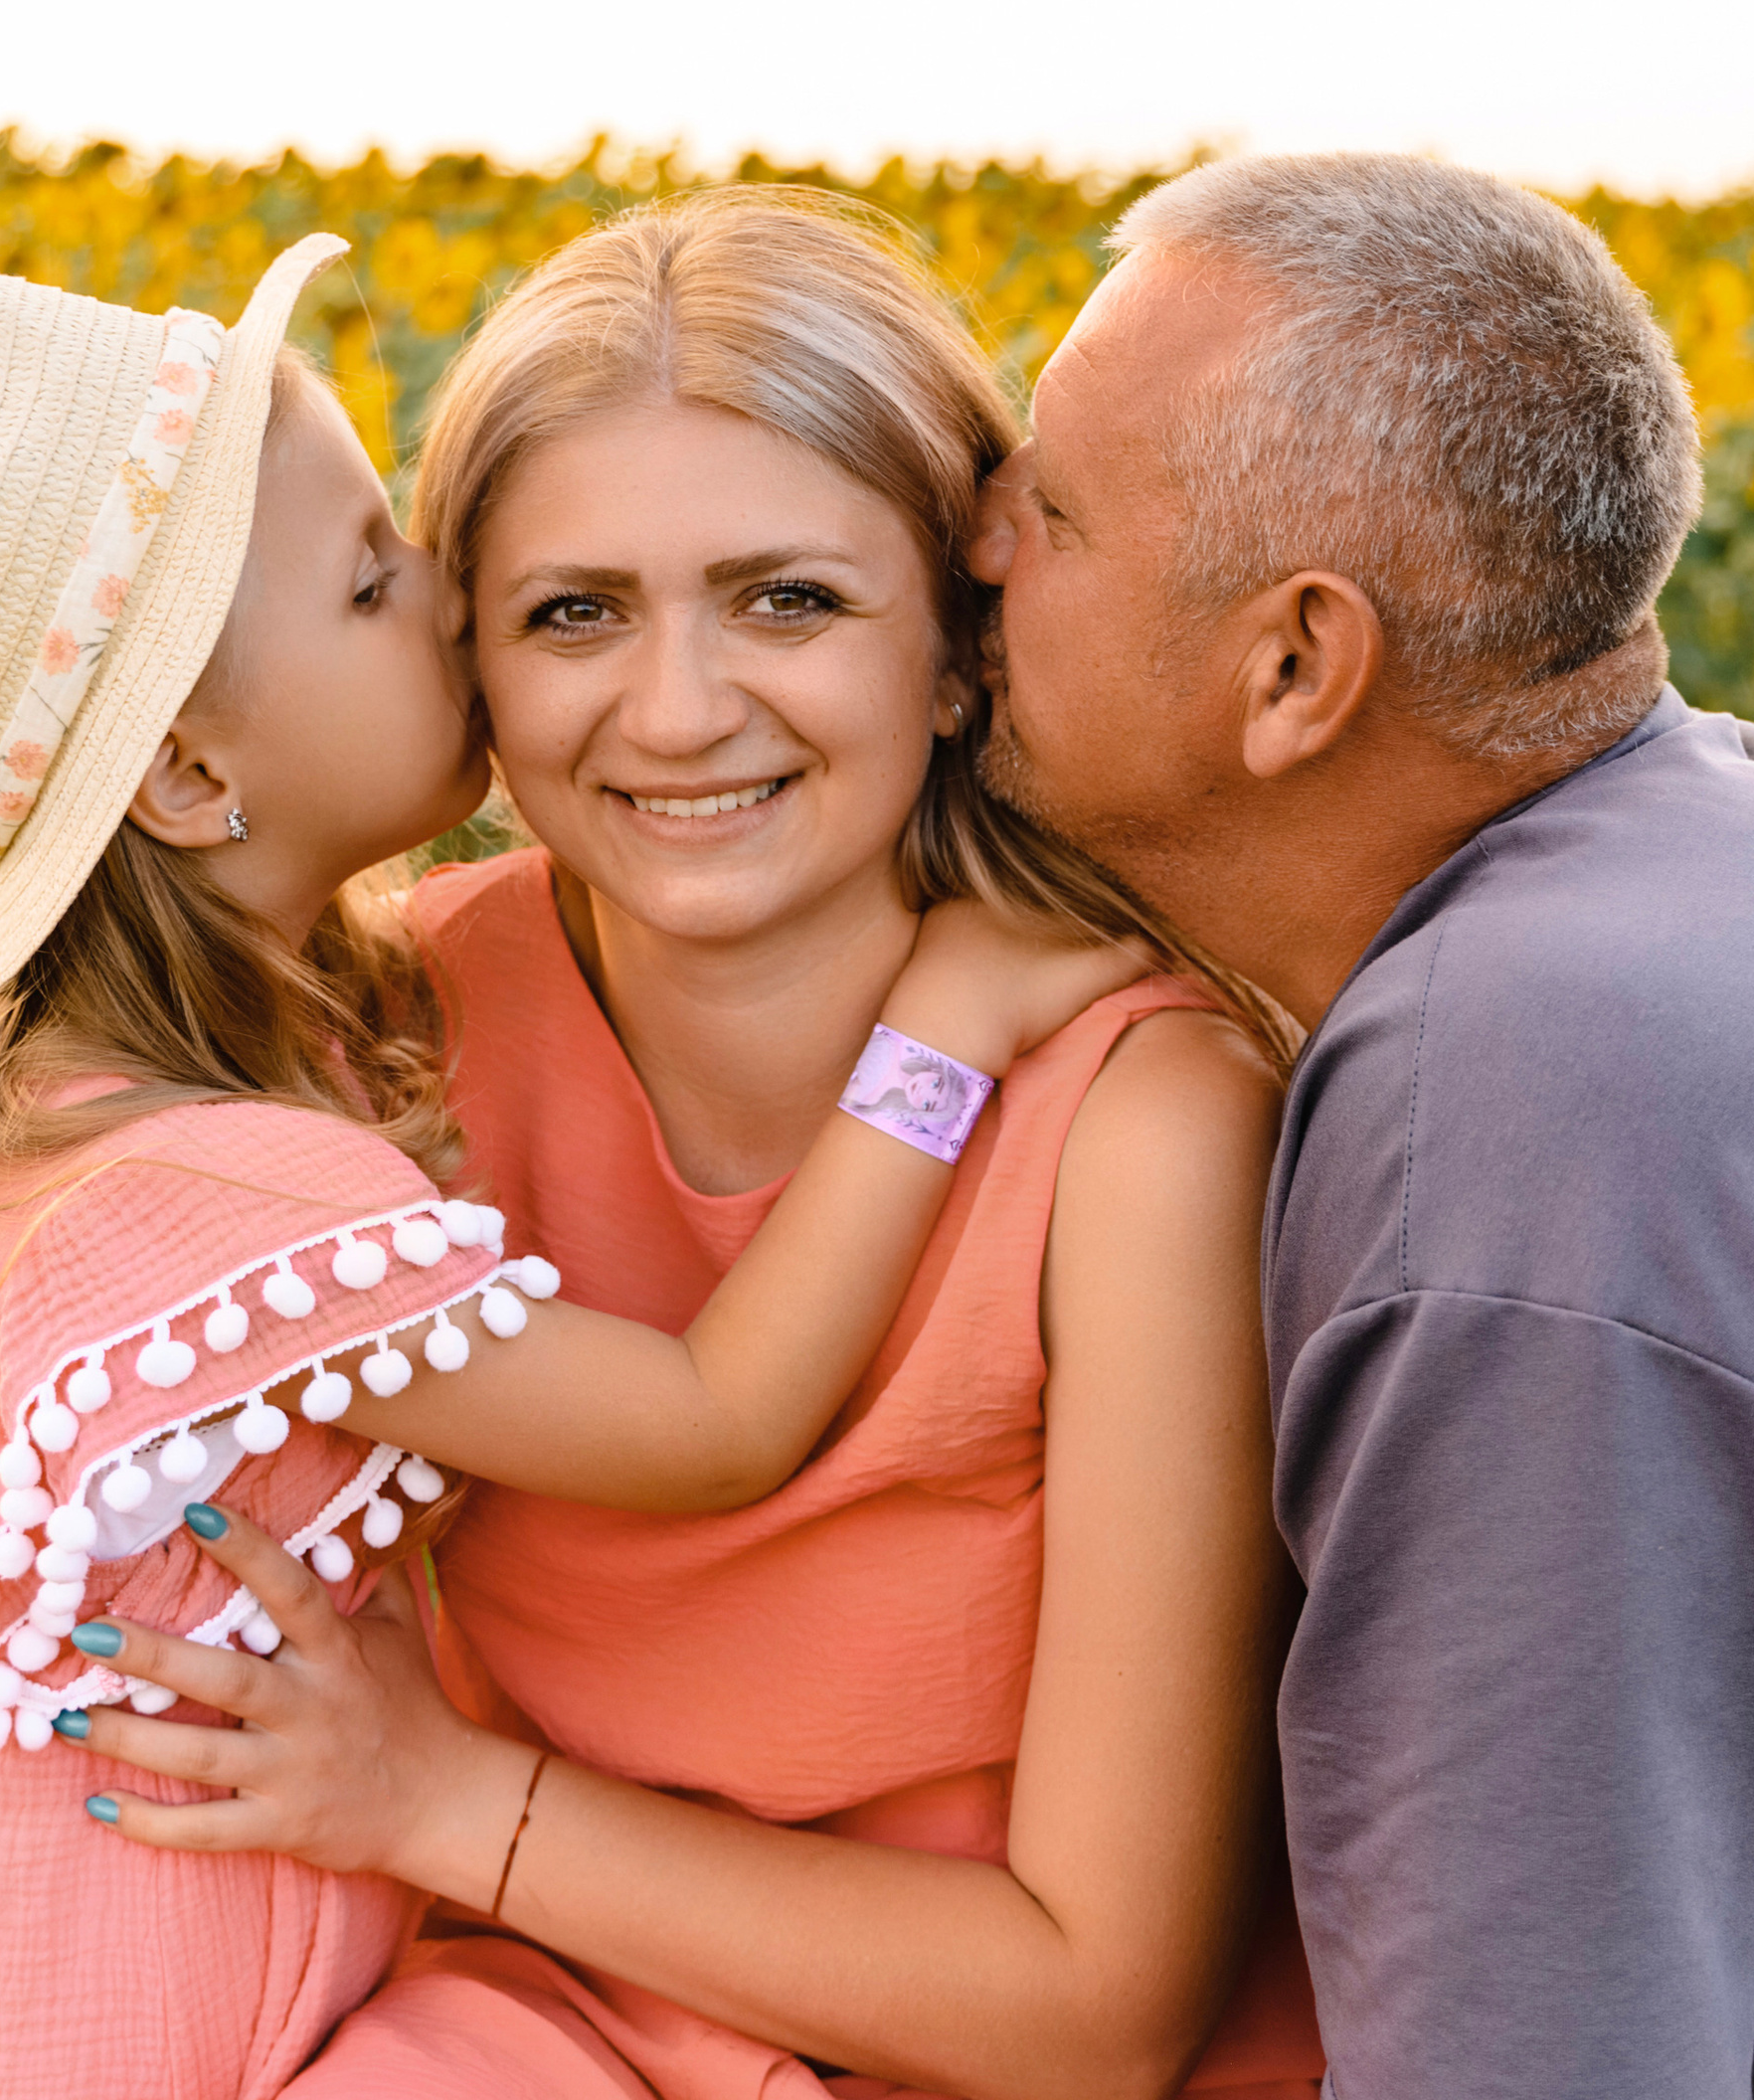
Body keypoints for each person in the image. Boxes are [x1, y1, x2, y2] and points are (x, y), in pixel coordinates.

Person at [0, 236, 1132, 2100]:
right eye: (382, 581)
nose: (449, 613)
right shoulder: (240, 1168)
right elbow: (717, 1421)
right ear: (180, 779)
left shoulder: (45, 1117)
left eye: (787, 595)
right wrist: (939, 1036)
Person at [965, 150, 1754, 2096]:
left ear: (1292, 664)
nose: (970, 541)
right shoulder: (1715, 842)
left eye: (1048, 509)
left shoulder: (1522, 1127)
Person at [72, 189, 1328, 2100]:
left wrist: (443, 1801)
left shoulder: (1138, 1129)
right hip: (522, 2016)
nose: (676, 712)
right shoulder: (391, 1033)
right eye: (574, 613)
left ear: (961, 644)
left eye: (791, 599)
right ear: (469, 664)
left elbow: (1095, 2015)